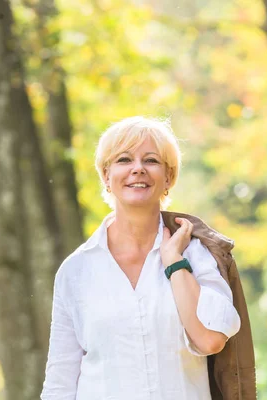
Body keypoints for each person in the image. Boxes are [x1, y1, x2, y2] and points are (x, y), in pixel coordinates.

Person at [40, 116, 241, 400]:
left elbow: (210, 339)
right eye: (124, 160)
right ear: (106, 176)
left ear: (168, 177)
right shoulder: (76, 270)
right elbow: (60, 381)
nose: (138, 169)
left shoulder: (196, 255)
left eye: (151, 160)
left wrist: (174, 261)